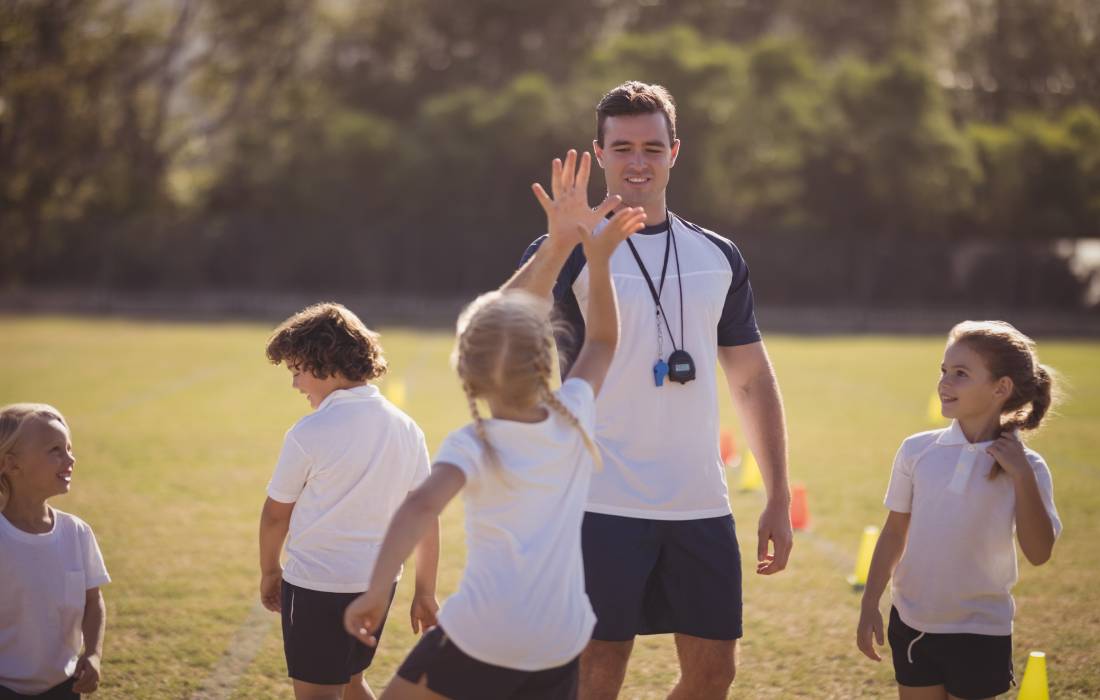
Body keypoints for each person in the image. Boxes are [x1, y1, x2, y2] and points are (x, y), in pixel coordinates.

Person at [510, 81, 793, 699]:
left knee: (715, 673)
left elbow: (751, 378)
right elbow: (500, 327)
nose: (638, 161)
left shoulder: (718, 255)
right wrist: (560, 241)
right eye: (623, 147)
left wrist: (776, 495)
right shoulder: (571, 249)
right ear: (600, 152)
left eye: (651, 147)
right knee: (598, 669)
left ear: (674, 152)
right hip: (598, 500)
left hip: (700, 504)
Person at [342, 159, 647, 700]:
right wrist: (598, 262)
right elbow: (602, 342)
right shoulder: (575, 417)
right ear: (545, 359)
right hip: (563, 638)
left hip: (483, 636)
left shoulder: (473, 444)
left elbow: (417, 509)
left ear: (469, 376)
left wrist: (372, 590)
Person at [856, 320, 1062, 700]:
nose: (945, 383)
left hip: (982, 631)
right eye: (944, 371)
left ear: (1001, 388)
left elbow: (1039, 552)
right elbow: (894, 533)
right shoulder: (917, 451)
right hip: (914, 622)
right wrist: (870, 603)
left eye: (961, 374)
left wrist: (1020, 476)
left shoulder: (1029, 467)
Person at [260, 303, 440, 700]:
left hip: (315, 588)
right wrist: (425, 590)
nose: (295, 385)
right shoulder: (407, 428)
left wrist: (270, 571)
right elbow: (425, 516)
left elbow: (276, 515)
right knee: (352, 680)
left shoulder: (309, 432)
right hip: (378, 587)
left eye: (297, 371)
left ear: (326, 363)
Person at [0, 404, 109, 699]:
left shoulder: (77, 533)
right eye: (55, 450)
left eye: (69, 448)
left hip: (63, 688)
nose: (70, 458)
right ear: (11, 464)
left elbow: (92, 601)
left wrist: (94, 654)